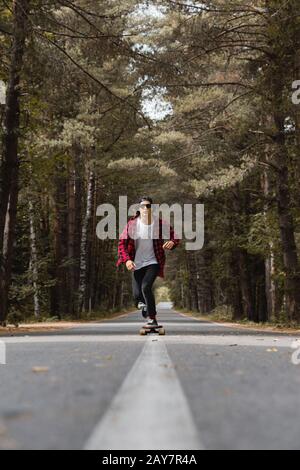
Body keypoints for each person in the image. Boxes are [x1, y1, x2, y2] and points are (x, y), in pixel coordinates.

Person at [116, 196, 180, 326]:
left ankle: (152, 318)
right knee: (137, 296)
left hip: (153, 262)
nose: (145, 208)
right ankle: (144, 307)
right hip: (136, 263)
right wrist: (127, 260)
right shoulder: (132, 224)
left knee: (146, 287)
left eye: (148, 206)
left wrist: (172, 242)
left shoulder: (159, 223)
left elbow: (175, 236)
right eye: (143, 206)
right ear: (139, 209)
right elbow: (121, 244)